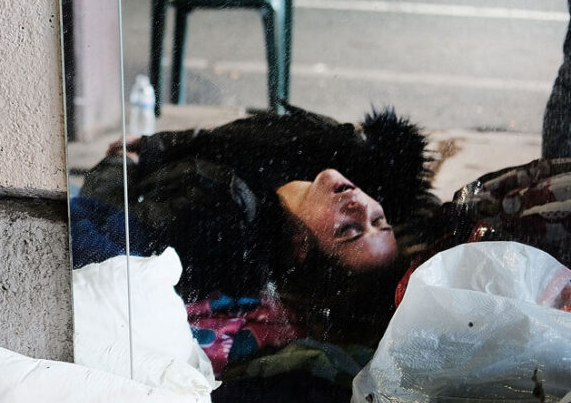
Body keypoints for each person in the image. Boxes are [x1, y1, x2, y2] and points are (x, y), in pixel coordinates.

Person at [74, 102, 438, 347]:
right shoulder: (331, 145)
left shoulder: (214, 227)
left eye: (348, 230)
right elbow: (220, 137)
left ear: (301, 246)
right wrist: (152, 143)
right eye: (379, 220)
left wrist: (123, 160)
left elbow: (107, 212)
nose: (359, 205)